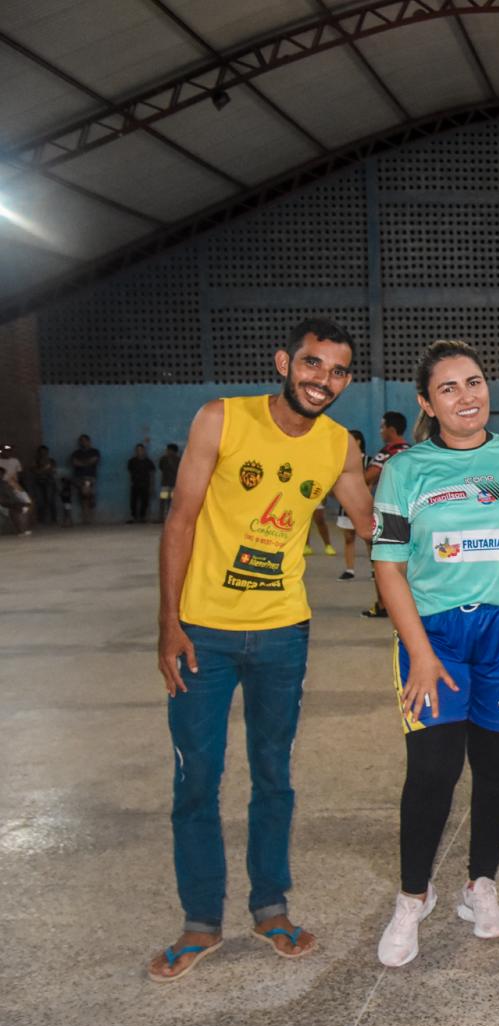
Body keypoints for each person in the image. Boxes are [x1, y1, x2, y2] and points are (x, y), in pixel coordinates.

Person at [147, 318, 372, 982]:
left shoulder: (337, 446)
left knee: (274, 777)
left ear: (346, 380)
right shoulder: (222, 418)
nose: (320, 380)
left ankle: (270, 907)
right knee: (197, 778)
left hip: (283, 634)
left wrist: (460, 515)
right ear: (284, 361)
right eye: (310, 364)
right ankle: (200, 922)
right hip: (203, 634)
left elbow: (373, 524)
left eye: (335, 371)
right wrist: (168, 622)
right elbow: (180, 520)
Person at [373, 341, 499, 968]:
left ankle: (481, 886)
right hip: (436, 638)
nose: (466, 396)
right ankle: (411, 898)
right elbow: (388, 567)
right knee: (431, 771)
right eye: (449, 388)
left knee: (498, 767)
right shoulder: (407, 469)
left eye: (474, 382)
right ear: (427, 403)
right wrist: (420, 653)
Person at [362, 411, 411, 618]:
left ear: (391, 429)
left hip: (388, 514)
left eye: (382, 427)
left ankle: (383, 604)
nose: (381, 431)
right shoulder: (412, 451)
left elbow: (368, 477)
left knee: (381, 560)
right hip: (412, 513)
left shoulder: (387, 452)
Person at [332, 430, 368, 578]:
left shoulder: (368, 461)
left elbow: (370, 482)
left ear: (358, 441)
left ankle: (374, 570)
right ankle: (350, 570)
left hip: (364, 505)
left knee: (370, 539)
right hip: (346, 505)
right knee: (348, 537)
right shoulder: (341, 461)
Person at [0, 443, 32, 535]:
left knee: (26, 505)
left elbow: (19, 476)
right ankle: (21, 530)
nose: (6, 452)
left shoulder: (15, 461)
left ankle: (24, 529)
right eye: (3, 450)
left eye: (9, 450)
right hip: (6, 495)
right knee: (16, 507)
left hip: (13, 487)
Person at [70, 433, 100, 524]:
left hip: (89, 476)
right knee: (83, 498)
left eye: (84, 441)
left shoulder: (94, 451)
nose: (82, 443)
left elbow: (94, 460)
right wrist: (87, 463)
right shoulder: (76, 453)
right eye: (81, 441)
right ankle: (86, 519)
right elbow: (74, 463)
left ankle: (91, 497)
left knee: (85, 491)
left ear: (89, 441)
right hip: (78, 477)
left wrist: (81, 463)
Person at [30, 445, 58, 527]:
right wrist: (45, 470)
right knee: (40, 502)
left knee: (50, 501)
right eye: (41, 452)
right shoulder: (35, 461)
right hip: (38, 483)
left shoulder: (52, 461)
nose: (43, 454)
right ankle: (41, 520)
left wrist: (42, 471)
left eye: (45, 452)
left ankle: (54, 520)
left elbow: (52, 471)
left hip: (50, 482)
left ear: (47, 452)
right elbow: (35, 471)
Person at [128, 443, 156, 523]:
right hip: (135, 484)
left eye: (141, 450)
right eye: (138, 450)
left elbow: (152, 474)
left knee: (144, 501)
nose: (139, 452)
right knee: (133, 501)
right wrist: (131, 482)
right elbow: (130, 473)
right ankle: (134, 517)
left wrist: (152, 486)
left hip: (145, 484)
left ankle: (142, 517)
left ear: (144, 451)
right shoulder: (132, 461)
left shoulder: (148, 461)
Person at [158, 443, 181, 522]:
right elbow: (161, 467)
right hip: (165, 485)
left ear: (173, 451)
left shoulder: (178, 460)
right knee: (163, 500)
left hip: (174, 485)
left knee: (172, 501)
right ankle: (162, 517)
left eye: (169, 450)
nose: (167, 451)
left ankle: (171, 518)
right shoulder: (163, 459)